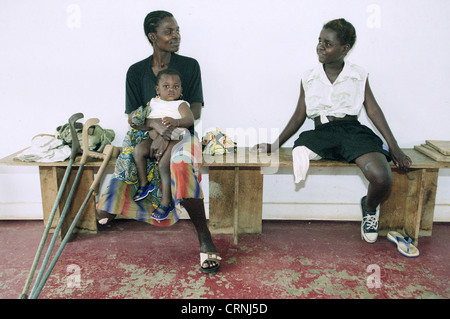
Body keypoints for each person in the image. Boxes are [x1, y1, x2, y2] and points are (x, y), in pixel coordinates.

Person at [253, 18, 412, 243]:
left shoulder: (359, 74)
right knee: (302, 151)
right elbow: (299, 115)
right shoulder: (309, 77)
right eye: (319, 41)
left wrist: (394, 148)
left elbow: (373, 110)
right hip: (321, 134)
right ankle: (309, 151)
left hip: (351, 131)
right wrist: (274, 145)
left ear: (344, 49)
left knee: (382, 177)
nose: (320, 46)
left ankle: (369, 208)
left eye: (327, 43)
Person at [96, 10, 221, 273]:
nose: (176, 36)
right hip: (147, 134)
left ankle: (205, 238)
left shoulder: (189, 66)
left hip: (181, 133)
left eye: (177, 31)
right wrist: (154, 127)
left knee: (182, 166)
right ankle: (108, 209)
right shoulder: (135, 71)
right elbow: (133, 117)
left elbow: (194, 113)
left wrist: (169, 133)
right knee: (129, 157)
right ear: (153, 36)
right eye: (169, 32)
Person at [132, 68, 194, 223]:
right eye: (166, 86)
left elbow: (190, 119)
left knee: (163, 166)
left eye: (176, 86)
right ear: (157, 89)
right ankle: (145, 184)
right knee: (138, 150)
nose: (171, 89)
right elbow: (142, 122)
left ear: (181, 89)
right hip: (154, 138)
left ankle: (166, 202)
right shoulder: (153, 102)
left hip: (175, 138)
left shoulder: (180, 104)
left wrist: (177, 122)